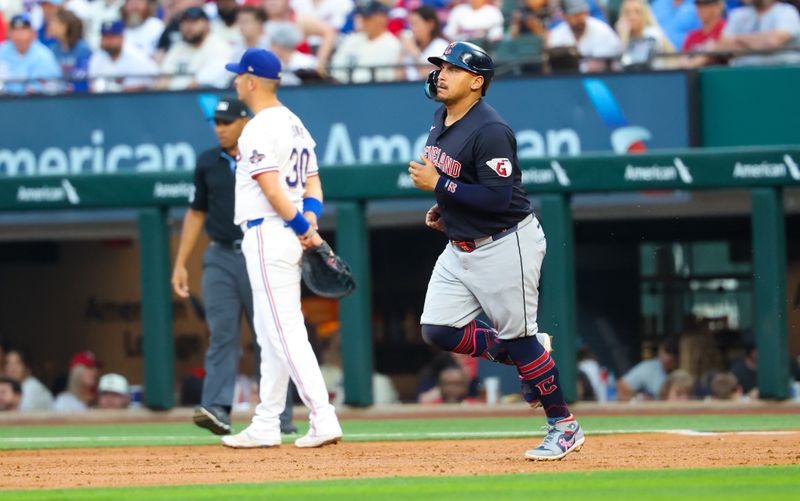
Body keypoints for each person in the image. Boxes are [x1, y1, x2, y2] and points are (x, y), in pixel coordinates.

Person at [408, 41, 584, 461]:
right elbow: (463, 185)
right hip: (460, 246)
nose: (442, 73)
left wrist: (440, 186)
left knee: (518, 339)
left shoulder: (491, 130)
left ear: (476, 81)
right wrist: (445, 207)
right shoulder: (441, 116)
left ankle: (564, 425)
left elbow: (497, 199)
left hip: (506, 242)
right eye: (441, 66)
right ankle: (531, 353)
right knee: (438, 329)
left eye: (452, 68)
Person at [220, 48, 343, 449]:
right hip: (286, 230)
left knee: (283, 329)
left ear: (252, 81)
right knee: (269, 329)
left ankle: (323, 416)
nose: (236, 81)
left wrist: (301, 228)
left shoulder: (257, 127)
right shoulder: (294, 123)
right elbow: (314, 185)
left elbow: (272, 188)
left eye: (240, 76)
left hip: (270, 231)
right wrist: (307, 223)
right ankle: (267, 420)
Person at [171, 95, 296, 436]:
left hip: (260, 249)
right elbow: (196, 212)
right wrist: (181, 263)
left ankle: (280, 415)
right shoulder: (208, 162)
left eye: (226, 122)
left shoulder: (262, 155)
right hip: (221, 253)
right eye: (216, 123)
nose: (219, 129)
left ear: (245, 122)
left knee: (269, 335)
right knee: (222, 332)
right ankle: (216, 408)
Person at [157, 6, 235, 90]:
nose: (188, 27)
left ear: (207, 24)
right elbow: (162, 80)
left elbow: (200, 84)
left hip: (202, 98)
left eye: (194, 22)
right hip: (172, 98)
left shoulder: (219, 47)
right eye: (184, 22)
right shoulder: (178, 47)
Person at [329, 1, 402, 84]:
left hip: (374, 92)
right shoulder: (352, 39)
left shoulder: (393, 45)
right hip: (343, 90)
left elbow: (389, 81)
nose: (363, 21)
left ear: (382, 19)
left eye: (368, 17)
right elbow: (335, 72)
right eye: (362, 17)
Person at [715, 0, 800, 66]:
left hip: (782, 72)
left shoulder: (786, 11)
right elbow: (724, 44)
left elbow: (773, 41)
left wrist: (738, 39)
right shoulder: (738, 14)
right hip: (743, 73)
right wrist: (762, 41)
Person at [547, 0, 623, 72]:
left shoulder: (602, 31)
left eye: (582, 14)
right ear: (564, 16)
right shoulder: (557, 34)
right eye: (574, 15)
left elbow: (611, 63)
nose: (579, 19)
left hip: (600, 80)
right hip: (567, 81)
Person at [88, 20, 159, 93]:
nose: (107, 41)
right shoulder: (97, 57)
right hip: (104, 101)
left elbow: (156, 78)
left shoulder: (136, 55)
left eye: (111, 37)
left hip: (135, 100)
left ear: (122, 38)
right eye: (104, 37)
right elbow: (92, 86)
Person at [0, 14, 61, 95]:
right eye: (15, 30)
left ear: (33, 33)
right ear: (9, 33)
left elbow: (54, 86)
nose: (19, 34)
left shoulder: (44, 55)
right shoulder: (2, 51)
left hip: (36, 103)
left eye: (24, 29)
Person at [615, 0, 675, 69]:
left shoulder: (652, 34)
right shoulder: (622, 35)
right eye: (627, 12)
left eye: (637, 12)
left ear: (644, 14)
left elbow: (636, 65)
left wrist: (624, 42)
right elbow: (616, 69)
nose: (632, 16)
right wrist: (623, 38)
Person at [46, 8, 92, 92]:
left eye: (54, 22)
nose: (51, 25)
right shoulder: (52, 49)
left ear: (65, 26)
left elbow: (82, 77)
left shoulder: (83, 49)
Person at [398, 5, 449, 81]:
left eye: (416, 24)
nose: (412, 29)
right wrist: (402, 52)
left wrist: (414, 53)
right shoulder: (411, 46)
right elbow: (398, 78)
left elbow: (432, 79)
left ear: (430, 24)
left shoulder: (441, 46)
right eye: (411, 24)